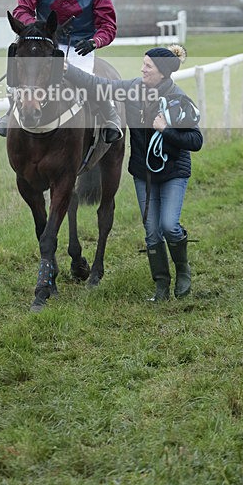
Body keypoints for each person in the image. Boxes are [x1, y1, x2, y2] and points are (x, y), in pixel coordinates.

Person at [64, 45, 203, 301]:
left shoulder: (178, 99)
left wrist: (165, 130)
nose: (142, 69)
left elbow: (196, 140)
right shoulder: (132, 88)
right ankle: (161, 285)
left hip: (173, 173)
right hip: (144, 173)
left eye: (148, 66)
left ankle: (183, 270)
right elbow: (97, 83)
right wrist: (66, 68)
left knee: (169, 226)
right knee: (151, 231)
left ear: (162, 73)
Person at [0, 0, 123, 142]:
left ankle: (110, 114)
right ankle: (11, 110)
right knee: (20, 70)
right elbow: (22, 9)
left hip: (78, 46)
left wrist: (95, 41)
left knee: (85, 80)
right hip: (44, 41)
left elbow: (108, 25)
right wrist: (40, 29)